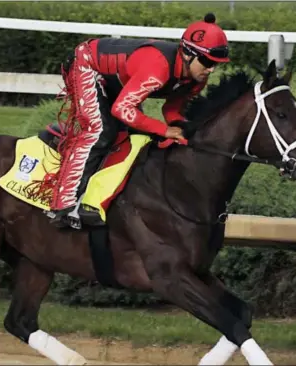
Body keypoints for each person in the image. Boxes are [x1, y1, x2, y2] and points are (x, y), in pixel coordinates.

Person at [48, 12, 230, 228]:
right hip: (87, 64)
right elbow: (123, 108)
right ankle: (62, 204)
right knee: (99, 131)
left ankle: (95, 199)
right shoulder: (159, 68)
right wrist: (164, 130)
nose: (210, 69)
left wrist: (179, 127)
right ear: (188, 54)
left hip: (116, 78)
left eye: (216, 64)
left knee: (130, 137)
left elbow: (172, 106)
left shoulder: (197, 79)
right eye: (207, 61)